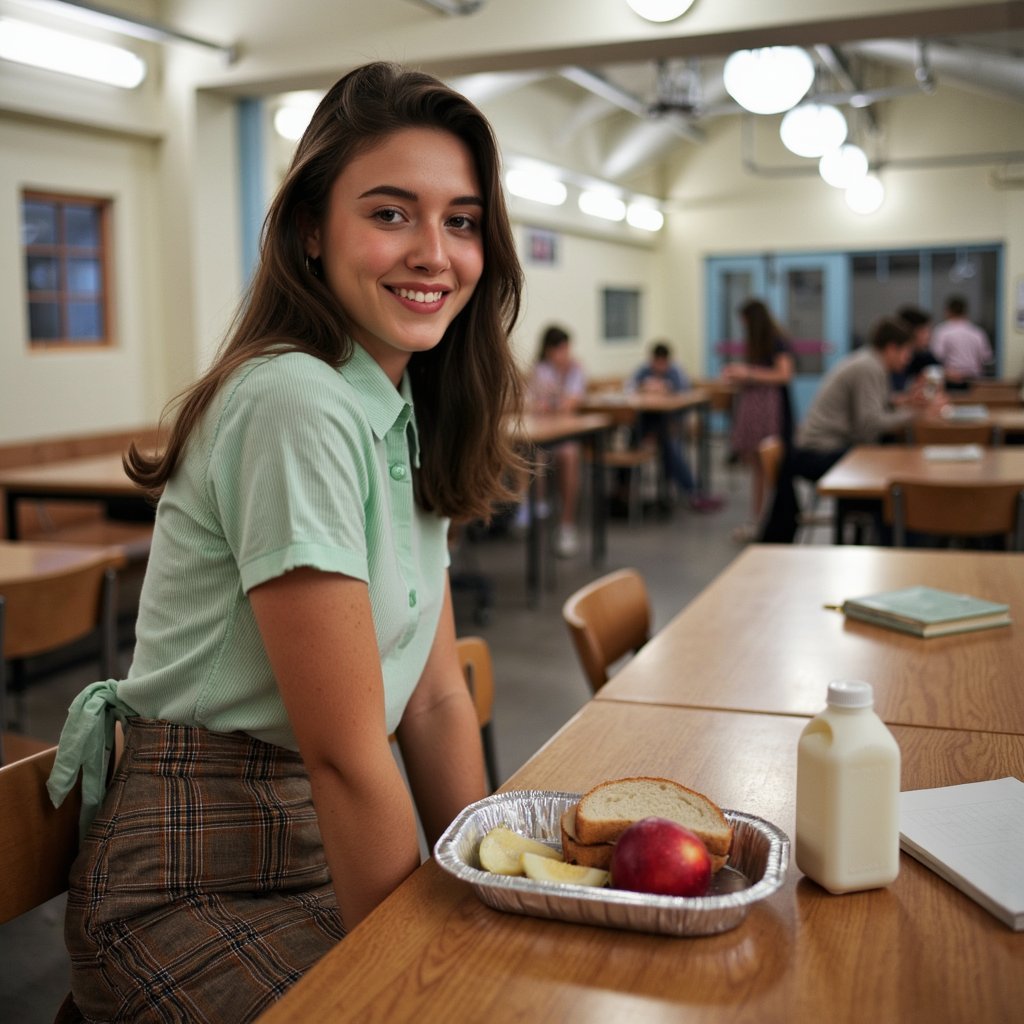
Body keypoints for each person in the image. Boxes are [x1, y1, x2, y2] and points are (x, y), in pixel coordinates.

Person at [45, 62, 526, 1022]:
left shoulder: (395, 405)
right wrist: (424, 981)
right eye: (391, 214)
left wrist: (486, 886)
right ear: (312, 231)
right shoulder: (291, 400)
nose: (434, 252)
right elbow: (347, 751)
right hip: (187, 875)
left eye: (462, 221)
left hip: (317, 840)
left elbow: (432, 701)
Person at [760, 316, 944, 543]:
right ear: (891, 348)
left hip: (821, 448)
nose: (908, 360)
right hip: (818, 453)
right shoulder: (869, 368)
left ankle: (890, 542)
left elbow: (877, 407)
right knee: (890, 491)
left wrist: (907, 403)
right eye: (906, 352)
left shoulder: (869, 361)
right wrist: (916, 415)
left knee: (892, 476)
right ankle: (898, 546)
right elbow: (868, 426)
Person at [721, 299, 794, 538]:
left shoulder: (775, 339)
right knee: (757, 467)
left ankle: (765, 519)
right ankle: (758, 518)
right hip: (757, 406)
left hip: (771, 410)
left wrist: (748, 372)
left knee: (766, 466)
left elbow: (784, 374)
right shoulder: (759, 342)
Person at [627, 341, 723, 513]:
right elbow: (629, 388)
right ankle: (623, 491)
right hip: (645, 424)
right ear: (652, 360)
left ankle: (692, 492)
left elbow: (684, 396)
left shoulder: (675, 372)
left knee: (670, 446)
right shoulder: (643, 371)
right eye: (656, 362)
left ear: (668, 361)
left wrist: (666, 389)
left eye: (663, 363)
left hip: (670, 424)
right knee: (634, 442)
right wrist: (644, 387)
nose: (659, 366)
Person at [526, 324, 586, 556]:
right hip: (542, 434)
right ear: (549, 350)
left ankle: (566, 525)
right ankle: (536, 509)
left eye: (566, 349)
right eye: (559, 349)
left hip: (566, 435)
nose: (564, 354)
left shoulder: (576, 370)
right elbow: (534, 403)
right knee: (532, 454)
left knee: (569, 455)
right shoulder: (540, 369)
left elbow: (570, 404)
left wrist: (554, 399)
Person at [930, 295, 993, 382]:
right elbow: (986, 357)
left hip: (951, 378)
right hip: (974, 379)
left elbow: (937, 356)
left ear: (948, 311)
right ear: (965, 312)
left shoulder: (942, 331)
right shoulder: (977, 332)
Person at [891, 305, 941, 395]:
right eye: (924, 331)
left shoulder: (922, 355)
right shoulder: (894, 359)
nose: (929, 336)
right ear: (911, 332)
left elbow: (937, 370)